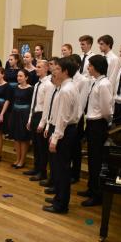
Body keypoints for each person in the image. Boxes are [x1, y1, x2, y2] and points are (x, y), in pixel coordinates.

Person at [42, 57, 80, 214]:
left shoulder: (66, 90)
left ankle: (61, 204)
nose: (53, 71)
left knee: (61, 169)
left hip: (64, 131)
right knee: (57, 168)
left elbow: (63, 118)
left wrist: (55, 138)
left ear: (65, 72)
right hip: (63, 129)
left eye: (57, 69)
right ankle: (59, 197)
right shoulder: (67, 86)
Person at [79, 55, 113, 207]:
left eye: (90, 65)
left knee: (96, 161)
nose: (88, 68)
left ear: (97, 66)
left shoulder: (104, 84)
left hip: (99, 124)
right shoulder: (95, 82)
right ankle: (91, 188)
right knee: (92, 159)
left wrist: (103, 122)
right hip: (92, 124)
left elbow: (106, 109)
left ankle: (97, 194)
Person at [24, 60, 54, 181]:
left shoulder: (48, 84)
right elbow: (33, 104)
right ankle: (36, 168)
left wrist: (43, 123)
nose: (36, 69)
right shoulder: (37, 84)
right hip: (35, 115)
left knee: (42, 147)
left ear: (46, 69)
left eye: (39, 67)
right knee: (36, 145)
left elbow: (47, 106)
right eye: (36, 67)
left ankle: (42, 172)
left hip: (43, 116)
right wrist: (30, 118)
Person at [70, 54, 90, 184]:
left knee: (76, 148)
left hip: (77, 117)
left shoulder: (83, 80)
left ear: (77, 64)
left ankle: (75, 174)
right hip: (67, 116)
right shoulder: (69, 78)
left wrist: (76, 119)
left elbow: (82, 102)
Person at [9, 69, 33, 169]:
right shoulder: (15, 87)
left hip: (25, 114)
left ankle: (22, 160)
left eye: (21, 76)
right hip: (15, 113)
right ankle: (17, 158)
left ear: (26, 77)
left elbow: (32, 104)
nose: (18, 78)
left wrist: (30, 118)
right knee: (16, 138)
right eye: (18, 76)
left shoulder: (30, 89)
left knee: (23, 139)